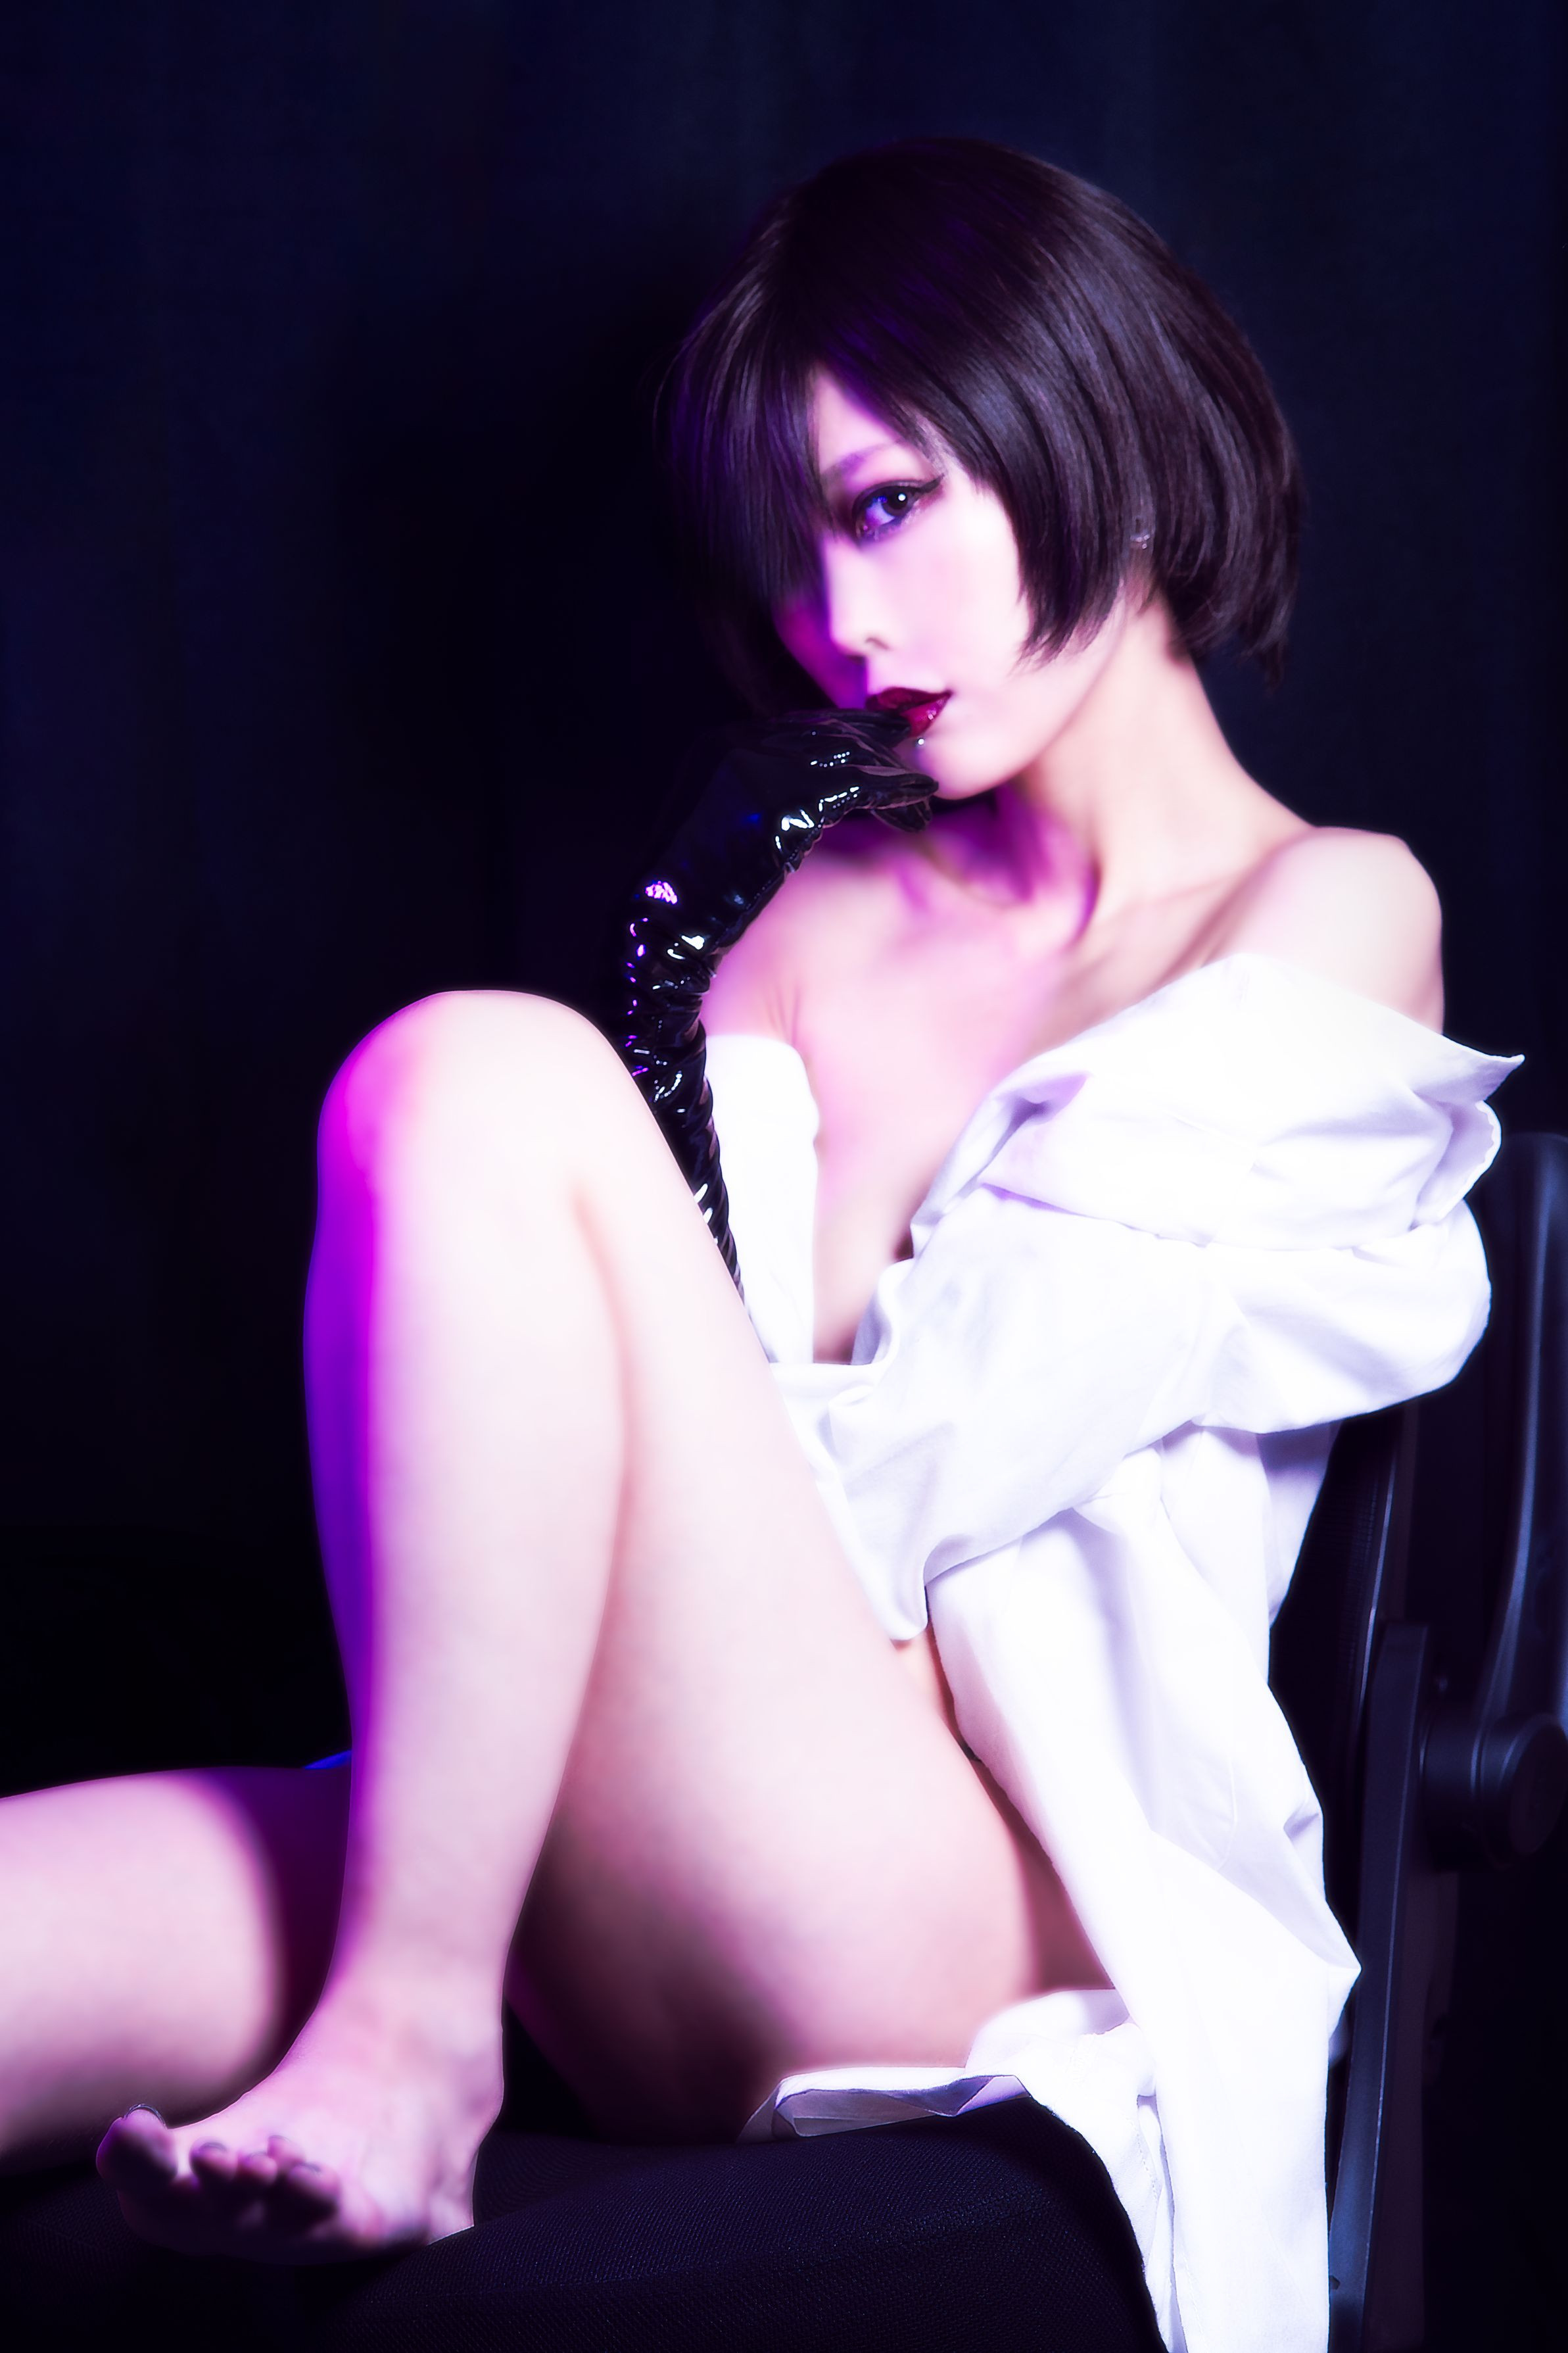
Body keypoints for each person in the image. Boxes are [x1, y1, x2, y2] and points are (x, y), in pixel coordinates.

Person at [0, 139, 1514, 2353]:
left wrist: (611, 1382)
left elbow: (950, 1446)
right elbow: (592, 1438)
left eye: (885, 505)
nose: (834, 626)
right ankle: (423, 1985)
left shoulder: (1327, 908)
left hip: (972, 1911)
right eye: (786, 553)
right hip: (632, 1832)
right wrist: (668, 1013)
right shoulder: (796, 927)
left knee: (464, 1076)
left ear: (1098, 431)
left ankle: (411, 2042)